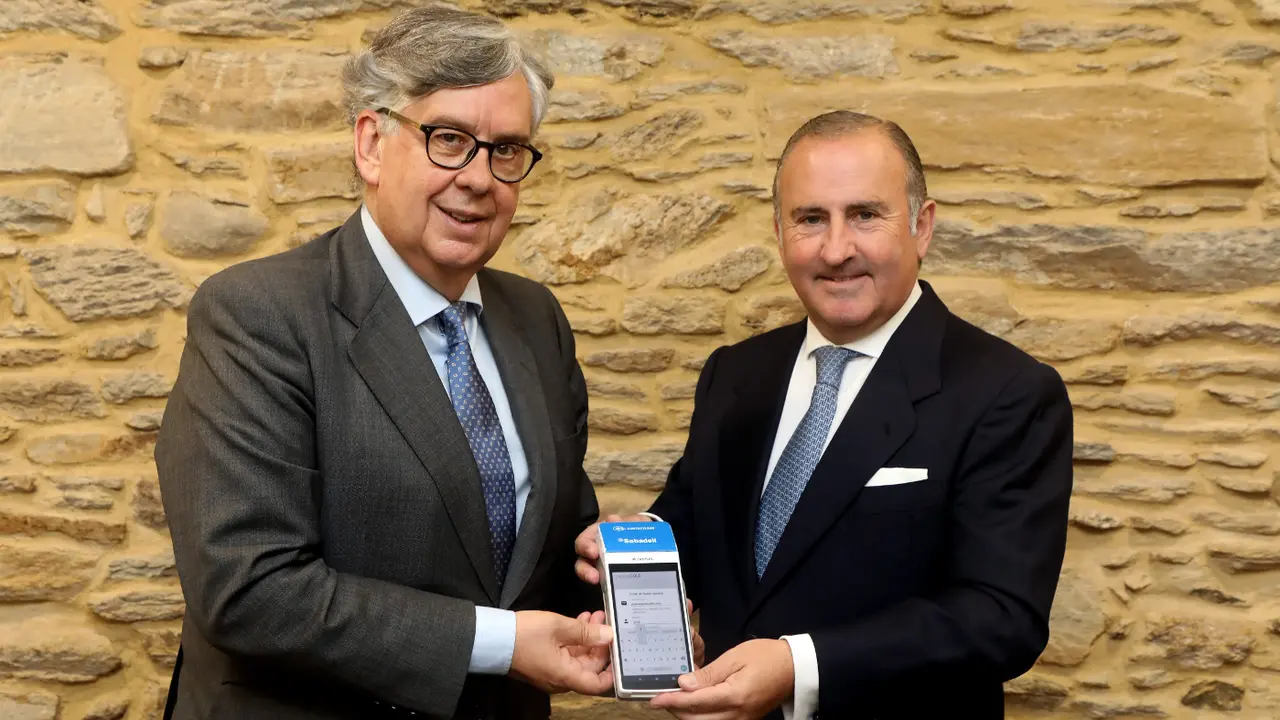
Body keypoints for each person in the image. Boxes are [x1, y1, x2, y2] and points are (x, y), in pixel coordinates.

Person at [156, 7, 615, 719]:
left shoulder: (537, 320)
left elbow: (537, 553)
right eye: (450, 140)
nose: (479, 179)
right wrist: (501, 643)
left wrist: (613, 595)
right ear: (371, 143)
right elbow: (246, 587)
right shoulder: (258, 314)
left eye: (507, 151)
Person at [576, 111, 1074, 719]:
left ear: (922, 227)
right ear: (781, 232)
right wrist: (628, 555)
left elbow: (1001, 618)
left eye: (865, 215)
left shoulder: (1007, 392)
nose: (837, 250)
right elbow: (697, 538)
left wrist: (797, 667)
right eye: (811, 219)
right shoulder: (736, 374)